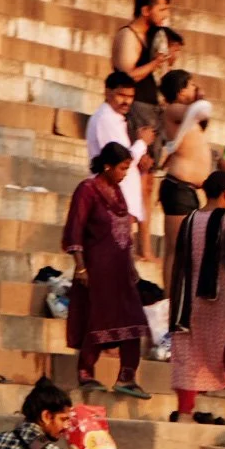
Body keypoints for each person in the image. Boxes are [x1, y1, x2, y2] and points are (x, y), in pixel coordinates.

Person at [167, 171, 225, 426]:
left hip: (189, 301)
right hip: (222, 300)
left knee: (190, 354)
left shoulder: (190, 220)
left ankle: (184, 412)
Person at [66, 142, 152, 397]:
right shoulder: (87, 190)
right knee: (97, 319)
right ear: (107, 166)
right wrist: (80, 268)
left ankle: (127, 377)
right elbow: (75, 228)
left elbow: (125, 233)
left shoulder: (117, 191)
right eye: (123, 168)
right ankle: (85, 373)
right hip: (96, 268)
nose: (125, 174)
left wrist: (132, 265)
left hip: (121, 270)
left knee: (134, 320)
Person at [156, 70, 212, 290]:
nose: (194, 89)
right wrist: (201, 98)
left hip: (186, 189)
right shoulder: (174, 109)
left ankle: (176, 297)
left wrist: (200, 97)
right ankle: (169, 299)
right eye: (190, 85)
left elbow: (203, 115)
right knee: (175, 248)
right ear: (179, 90)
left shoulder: (184, 114)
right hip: (178, 186)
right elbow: (202, 109)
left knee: (184, 248)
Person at [85, 73, 152, 255]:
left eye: (130, 97)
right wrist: (142, 143)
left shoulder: (115, 119)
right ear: (107, 92)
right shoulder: (105, 118)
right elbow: (118, 158)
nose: (127, 102)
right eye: (121, 95)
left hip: (121, 197)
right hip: (112, 196)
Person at [110, 0, 176, 152]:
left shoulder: (153, 36)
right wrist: (155, 63)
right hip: (135, 108)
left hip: (152, 110)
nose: (165, 15)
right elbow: (126, 78)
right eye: (161, 10)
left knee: (150, 166)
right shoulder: (128, 36)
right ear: (146, 10)